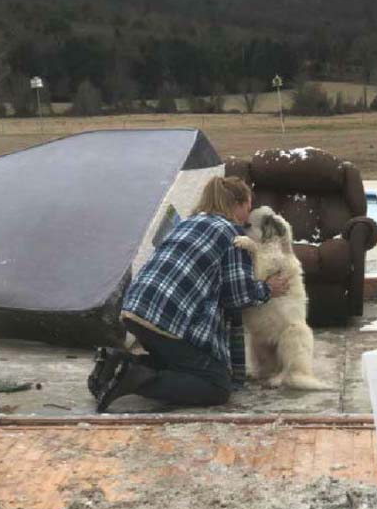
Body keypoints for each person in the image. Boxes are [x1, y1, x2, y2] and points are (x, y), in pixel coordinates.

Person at [88, 175, 289, 411]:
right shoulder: (232, 234)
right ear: (237, 204)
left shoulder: (188, 223)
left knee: (181, 365)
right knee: (216, 384)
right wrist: (268, 288)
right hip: (166, 318)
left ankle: (114, 366)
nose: (248, 213)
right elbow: (236, 296)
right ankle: (131, 378)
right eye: (248, 205)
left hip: (137, 308)